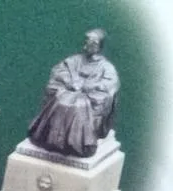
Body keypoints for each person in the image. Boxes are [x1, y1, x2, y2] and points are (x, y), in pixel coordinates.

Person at [26, 28, 119, 158]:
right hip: (68, 92)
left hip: (87, 99)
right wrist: (69, 82)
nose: (88, 45)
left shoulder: (106, 67)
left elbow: (109, 86)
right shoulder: (74, 60)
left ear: (99, 46)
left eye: (93, 43)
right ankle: (51, 139)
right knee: (60, 101)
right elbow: (59, 71)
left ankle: (75, 143)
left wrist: (88, 86)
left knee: (77, 106)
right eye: (87, 41)